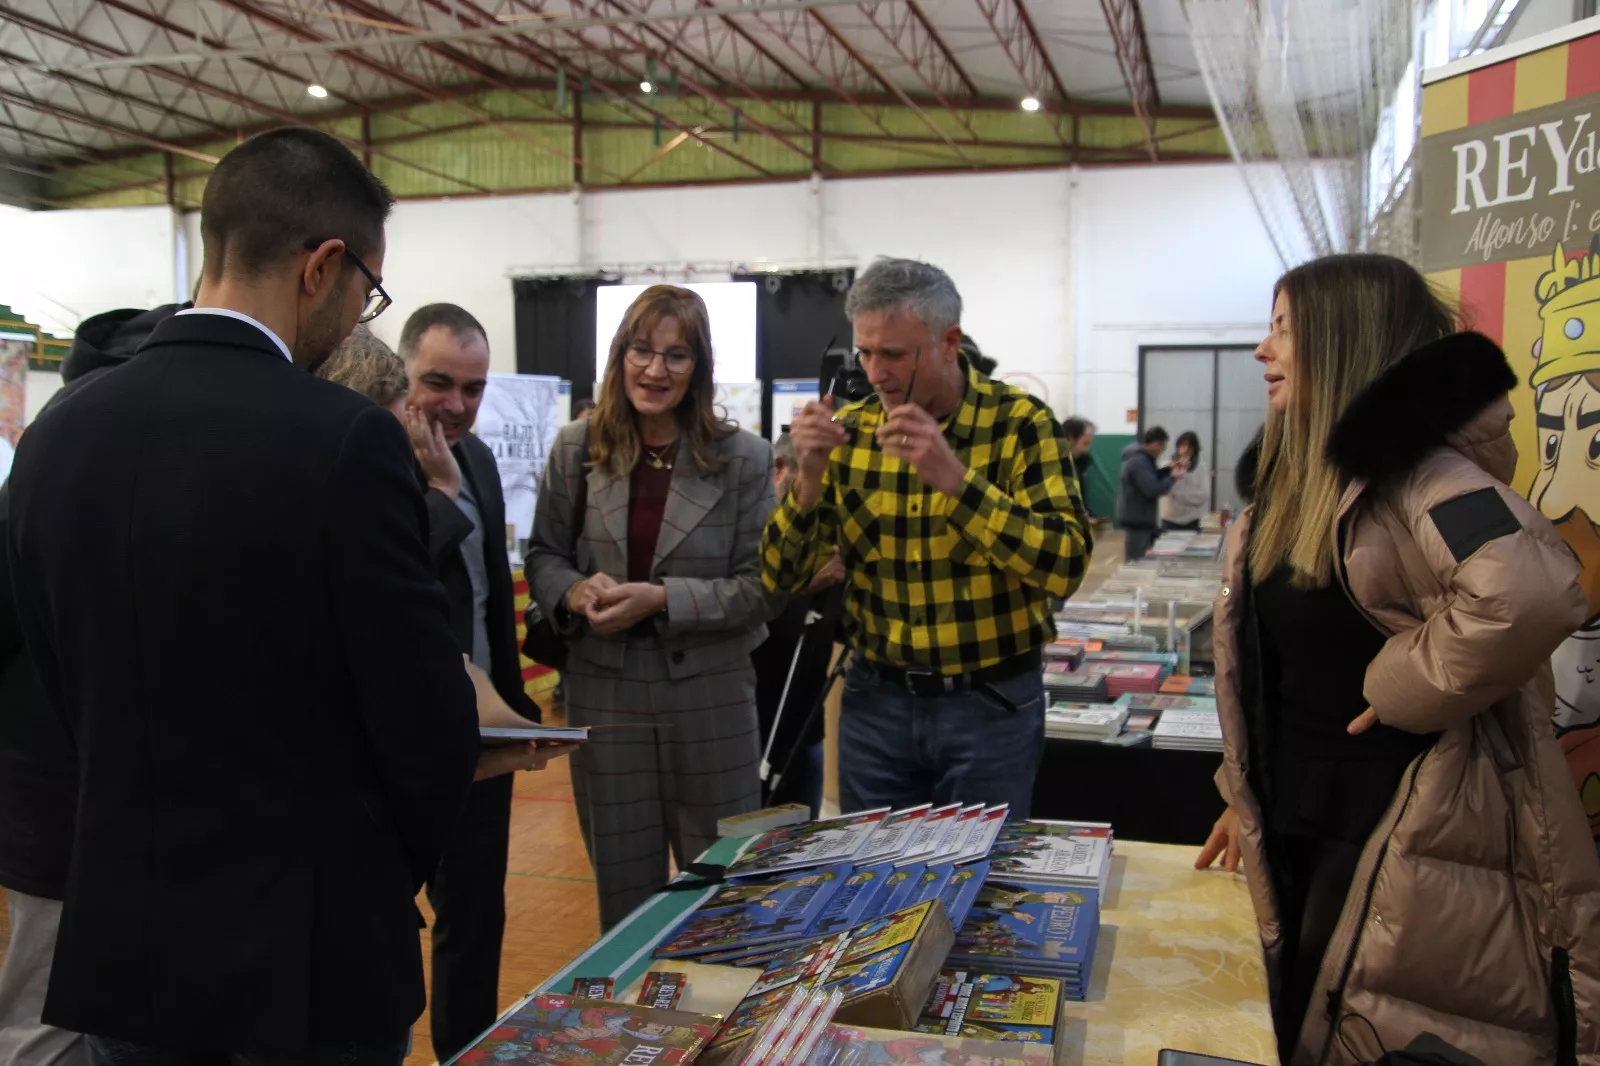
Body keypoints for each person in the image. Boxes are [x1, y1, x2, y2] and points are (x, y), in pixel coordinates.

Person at [3, 128, 482, 1066]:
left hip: (123, 952)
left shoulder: (59, 435)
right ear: (324, 266)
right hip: (300, 961)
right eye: (366, 293)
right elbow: (426, 722)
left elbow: (62, 684)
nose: (357, 319)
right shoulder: (343, 440)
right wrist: (378, 876)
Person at [1196, 253, 1600, 1063]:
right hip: (1306, 812)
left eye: (1281, 330)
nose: (1260, 352)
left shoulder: (1427, 478)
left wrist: (1401, 685)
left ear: (1344, 340)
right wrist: (1244, 794)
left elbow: (1533, 590)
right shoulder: (1298, 487)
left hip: (1400, 825)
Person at [762, 257, 1092, 819]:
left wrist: (956, 481)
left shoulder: (1019, 424)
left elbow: (1064, 562)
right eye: (864, 352)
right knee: (878, 882)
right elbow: (782, 577)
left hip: (990, 705)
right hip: (876, 704)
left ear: (949, 341)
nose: (876, 372)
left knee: (977, 885)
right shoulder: (854, 431)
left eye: (894, 354)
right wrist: (808, 482)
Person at [528, 284, 780, 931]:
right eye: (641, 350)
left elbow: (763, 588)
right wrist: (576, 591)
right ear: (619, 357)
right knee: (625, 899)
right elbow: (545, 557)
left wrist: (663, 600)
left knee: (724, 894)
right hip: (606, 697)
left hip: (713, 697)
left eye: (676, 355)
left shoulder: (744, 459)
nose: (654, 369)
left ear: (699, 369)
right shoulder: (578, 448)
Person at [0, 302, 184, 1066]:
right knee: (46, 1030)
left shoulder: (70, 439)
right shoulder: (83, 452)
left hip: (97, 809)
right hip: (64, 811)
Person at [381, 303, 539, 1062]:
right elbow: (387, 584)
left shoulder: (473, 458)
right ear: (402, 372)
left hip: (481, 737)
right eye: (437, 383)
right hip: (393, 746)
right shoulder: (368, 456)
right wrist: (435, 491)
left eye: (473, 389)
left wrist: (516, 708)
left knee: (475, 921)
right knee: (381, 924)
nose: (456, 405)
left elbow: (487, 597)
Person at [749, 432, 844, 817]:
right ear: (780, 468)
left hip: (806, 722)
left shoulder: (829, 523)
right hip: (756, 722)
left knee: (801, 848)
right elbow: (746, 605)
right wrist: (806, 583)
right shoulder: (755, 525)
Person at [1116, 425, 1183, 561]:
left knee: (1141, 561)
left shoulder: (1143, 459)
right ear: (1154, 444)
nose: (1162, 451)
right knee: (1136, 564)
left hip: (1142, 520)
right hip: (1137, 521)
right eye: (1162, 446)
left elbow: (1151, 477)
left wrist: (1169, 470)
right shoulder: (1138, 461)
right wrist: (1172, 478)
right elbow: (1152, 489)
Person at [1161, 431, 1210, 531]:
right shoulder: (1167, 465)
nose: (1186, 450)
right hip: (1170, 519)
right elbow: (1165, 490)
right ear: (1177, 447)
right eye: (1183, 446)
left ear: (1195, 449)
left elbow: (1204, 495)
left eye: (1190, 447)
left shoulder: (1201, 467)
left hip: (1192, 520)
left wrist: (1179, 496)